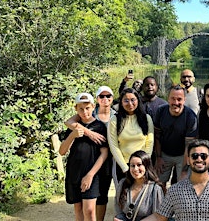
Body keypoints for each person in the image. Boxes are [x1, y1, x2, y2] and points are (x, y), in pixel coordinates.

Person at [64, 86, 115, 221]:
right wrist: (73, 135)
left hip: (92, 173)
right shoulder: (73, 126)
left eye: (87, 108)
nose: (85, 111)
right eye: (81, 108)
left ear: (93, 107)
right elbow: (62, 151)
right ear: (76, 109)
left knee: (90, 211)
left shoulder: (100, 127)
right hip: (74, 172)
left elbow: (104, 153)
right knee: (78, 210)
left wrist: (90, 174)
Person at [108, 88, 154, 185]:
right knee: (123, 197)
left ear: (138, 100)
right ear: (121, 102)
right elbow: (113, 145)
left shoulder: (146, 118)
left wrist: (144, 163)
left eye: (133, 100)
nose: (130, 103)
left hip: (142, 166)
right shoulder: (114, 120)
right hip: (122, 166)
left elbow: (149, 142)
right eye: (126, 100)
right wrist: (125, 168)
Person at [153, 85, 198, 184]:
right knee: (158, 183)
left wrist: (184, 169)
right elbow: (157, 136)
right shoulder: (160, 111)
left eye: (179, 99)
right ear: (168, 99)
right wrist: (158, 157)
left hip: (183, 155)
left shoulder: (191, 117)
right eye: (173, 99)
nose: (176, 103)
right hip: (164, 153)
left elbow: (189, 145)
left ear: (184, 100)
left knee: (183, 184)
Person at [114, 150, 165, 221]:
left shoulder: (155, 189)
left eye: (139, 165)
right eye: (132, 165)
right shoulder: (123, 184)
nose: (135, 169)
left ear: (146, 166)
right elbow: (119, 210)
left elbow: (159, 217)